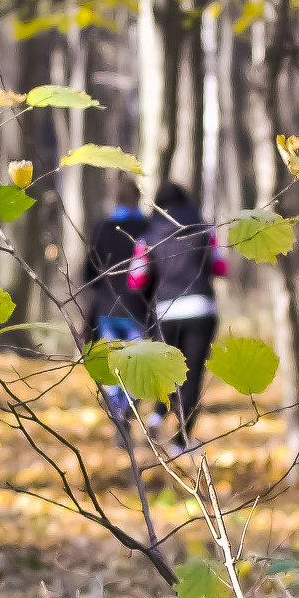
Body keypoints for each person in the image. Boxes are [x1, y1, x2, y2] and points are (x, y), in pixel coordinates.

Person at [136, 182, 227, 453]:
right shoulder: (204, 229)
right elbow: (220, 266)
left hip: (165, 311)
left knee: (166, 370)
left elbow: (135, 278)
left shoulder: (149, 236)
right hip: (200, 309)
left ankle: (156, 415)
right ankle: (182, 440)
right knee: (192, 375)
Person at [83, 177, 150, 439]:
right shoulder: (147, 227)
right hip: (138, 308)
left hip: (107, 308)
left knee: (114, 363)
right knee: (135, 363)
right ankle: (128, 407)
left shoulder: (103, 228)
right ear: (138, 197)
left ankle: (116, 409)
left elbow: (88, 271)